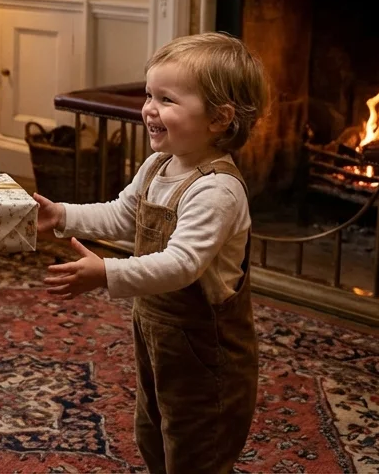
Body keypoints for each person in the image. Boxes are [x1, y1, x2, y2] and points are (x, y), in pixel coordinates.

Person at [33, 32, 268, 474]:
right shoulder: (159, 164)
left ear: (220, 118)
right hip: (158, 336)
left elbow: (182, 264)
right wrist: (61, 215)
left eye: (167, 99)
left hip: (207, 351)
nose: (149, 109)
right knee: (154, 432)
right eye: (148, 94)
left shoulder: (217, 190)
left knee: (198, 445)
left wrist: (106, 273)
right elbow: (123, 215)